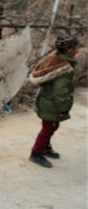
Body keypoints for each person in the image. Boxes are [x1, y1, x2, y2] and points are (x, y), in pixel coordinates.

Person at [28, 34, 80, 168]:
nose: (78, 50)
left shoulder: (53, 59)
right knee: (48, 128)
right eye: (76, 47)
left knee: (52, 126)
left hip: (46, 100)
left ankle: (45, 147)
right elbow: (60, 92)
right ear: (69, 50)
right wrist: (63, 109)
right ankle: (36, 153)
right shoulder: (64, 68)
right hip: (52, 104)